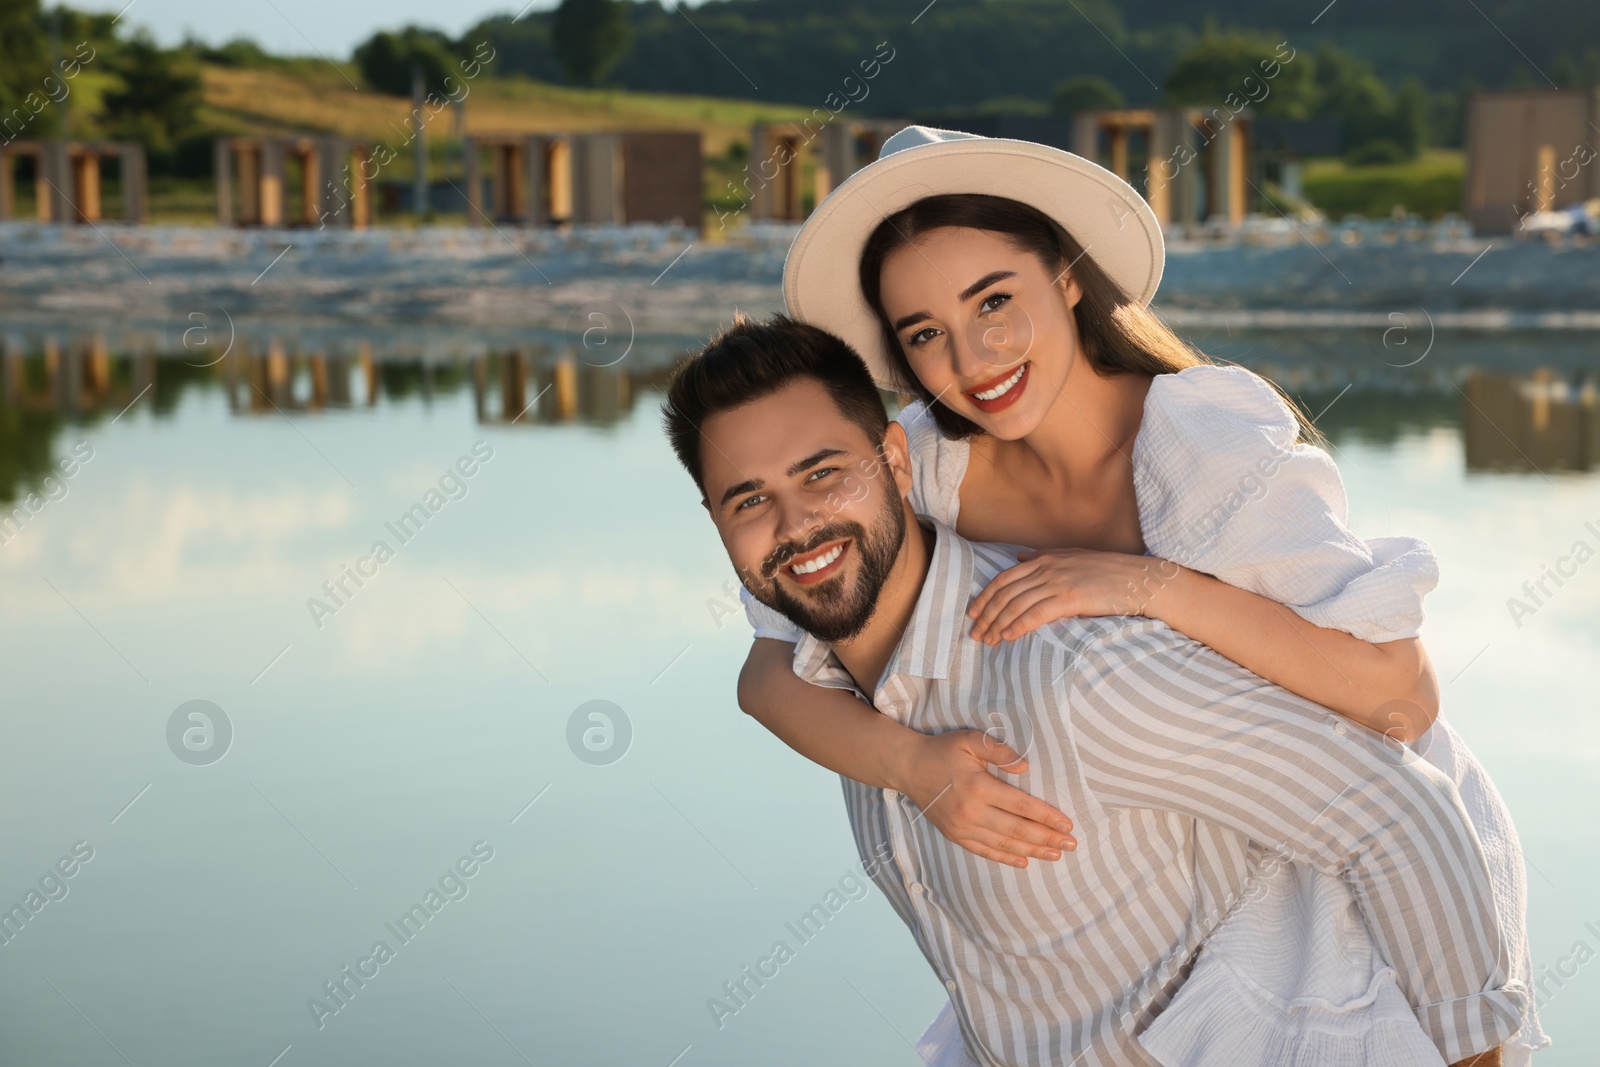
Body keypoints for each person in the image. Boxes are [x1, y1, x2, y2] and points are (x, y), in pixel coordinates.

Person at [730, 127, 1545, 1066]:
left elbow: (1400, 699)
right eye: (925, 333)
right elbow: (771, 677)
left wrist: (1151, 585)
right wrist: (917, 767)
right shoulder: (924, 465)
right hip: (1153, 882)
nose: (974, 355)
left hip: (1355, 850)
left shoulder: (1204, 442)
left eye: (994, 300)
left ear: (1069, 276)